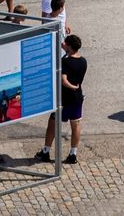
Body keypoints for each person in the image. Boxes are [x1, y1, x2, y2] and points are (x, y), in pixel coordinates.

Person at [36, 33, 86, 164]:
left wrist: (71, 86)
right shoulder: (83, 61)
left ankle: (45, 152)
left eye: (65, 43)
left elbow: (64, 80)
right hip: (77, 98)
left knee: (53, 123)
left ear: (69, 46)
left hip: (63, 98)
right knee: (75, 124)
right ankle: (73, 154)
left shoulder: (65, 61)